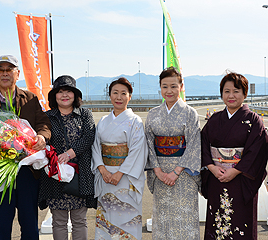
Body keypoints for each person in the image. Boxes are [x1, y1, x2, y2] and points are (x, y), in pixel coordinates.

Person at [0, 55, 51, 240]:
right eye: (1, 70)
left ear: (17, 73)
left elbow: (43, 124)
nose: (5, 73)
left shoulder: (30, 99)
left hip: (27, 172)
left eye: (9, 70)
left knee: (29, 224)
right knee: (1, 225)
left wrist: (42, 136)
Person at [201, 72, 267, 239]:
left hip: (241, 181)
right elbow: (202, 145)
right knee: (218, 221)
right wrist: (211, 167)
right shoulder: (214, 120)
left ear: (245, 93)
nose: (231, 95)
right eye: (226, 91)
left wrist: (236, 170)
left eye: (236, 91)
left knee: (240, 221)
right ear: (221, 94)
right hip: (217, 178)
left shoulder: (253, 120)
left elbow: (257, 152)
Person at [145, 67, 201, 239]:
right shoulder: (153, 114)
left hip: (184, 174)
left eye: (173, 86)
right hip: (161, 174)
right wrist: (158, 171)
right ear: (160, 88)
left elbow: (193, 145)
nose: (169, 91)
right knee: (163, 220)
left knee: (185, 219)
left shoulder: (190, 113)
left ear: (181, 86)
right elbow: (148, 144)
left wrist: (176, 172)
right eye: (165, 86)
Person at [38, 75, 96, 240]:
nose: (64, 95)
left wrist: (70, 153)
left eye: (68, 91)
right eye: (60, 91)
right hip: (55, 175)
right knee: (59, 221)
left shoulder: (85, 114)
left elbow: (89, 137)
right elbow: (43, 137)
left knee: (79, 220)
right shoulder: (47, 116)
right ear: (54, 96)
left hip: (80, 174)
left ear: (75, 95)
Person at [91, 77, 147, 240]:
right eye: (115, 93)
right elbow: (95, 147)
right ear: (109, 96)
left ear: (130, 96)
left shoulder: (135, 121)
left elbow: (137, 150)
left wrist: (119, 173)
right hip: (105, 176)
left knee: (127, 219)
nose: (119, 97)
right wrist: (102, 169)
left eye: (124, 93)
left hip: (126, 177)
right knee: (106, 220)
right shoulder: (102, 121)